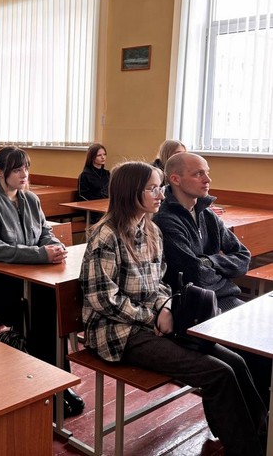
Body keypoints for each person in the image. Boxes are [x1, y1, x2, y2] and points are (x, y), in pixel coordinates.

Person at [80, 161, 266, 456]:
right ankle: (248, 450)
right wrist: (152, 316)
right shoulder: (106, 236)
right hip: (118, 332)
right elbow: (103, 299)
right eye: (152, 188)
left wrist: (165, 308)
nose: (161, 194)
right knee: (218, 373)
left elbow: (161, 283)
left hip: (152, 322)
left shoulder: (151, 230)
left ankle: (262, 438)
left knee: (236, 363)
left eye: (160, 187)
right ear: (130, 192)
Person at [0, 146, 83, 417]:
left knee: (51, 301)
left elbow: (45, 231)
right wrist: (41, 255)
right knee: (36, 307)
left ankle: (58, 382)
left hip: (21, 270)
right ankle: (44, 388)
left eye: (26, 168)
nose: (24, 174)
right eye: (16, 169)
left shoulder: (30, 199)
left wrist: (55, 246)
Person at [154, 152, 249, 310]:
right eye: (198, 174)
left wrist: (209, 261)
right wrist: (224, 274)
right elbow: (195, 276)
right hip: (193, 305)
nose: (208, 179)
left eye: (207, 172)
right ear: (175, 179)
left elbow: (244, 257)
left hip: (223, 297)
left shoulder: (207, 214)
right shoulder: (165, 219)